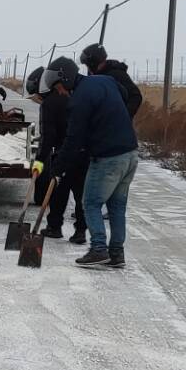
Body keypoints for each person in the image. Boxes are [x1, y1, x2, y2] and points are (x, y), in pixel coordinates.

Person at [61, 45, 140, 269]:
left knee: (91, 202)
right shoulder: (107, 80)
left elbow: (74, 138)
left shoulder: (81, 97)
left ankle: (98, 249)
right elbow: (126, 94)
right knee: (117, 206)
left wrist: (59, 165)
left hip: (109, 156)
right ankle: (116, 253)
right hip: (130, 152)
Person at [35, 57, 87, 243]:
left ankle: (54, 227)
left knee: (57, 191)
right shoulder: (81, 97)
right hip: (83, 152)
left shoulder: (49, 103)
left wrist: (40, 160)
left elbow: (47, 136)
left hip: (63, 153)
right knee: (81, 194)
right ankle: (80, 231)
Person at [78, 43, 143, 118]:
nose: (88, 69)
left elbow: (135, 96)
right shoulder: (94, 77)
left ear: (93, 63)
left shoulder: (117, 75)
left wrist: (123, 117)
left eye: (88, 65)